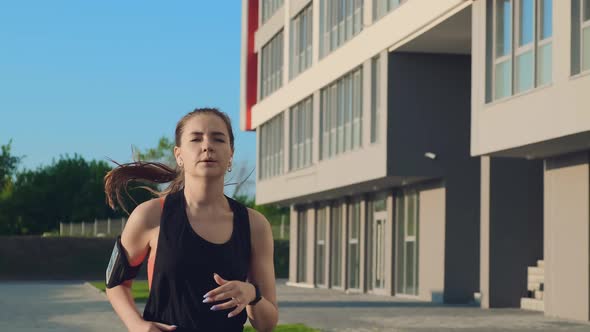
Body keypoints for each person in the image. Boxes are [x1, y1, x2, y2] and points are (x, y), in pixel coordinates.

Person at [103, 108, 278, 332]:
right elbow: (115, 282)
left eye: (218, 138)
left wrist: (252, 294)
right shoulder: (150, 215)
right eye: (196, 139)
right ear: (179, 155)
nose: (207, 146)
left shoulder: (255, 225)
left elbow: (268, 324)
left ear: (231, 153)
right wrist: (137, 325)